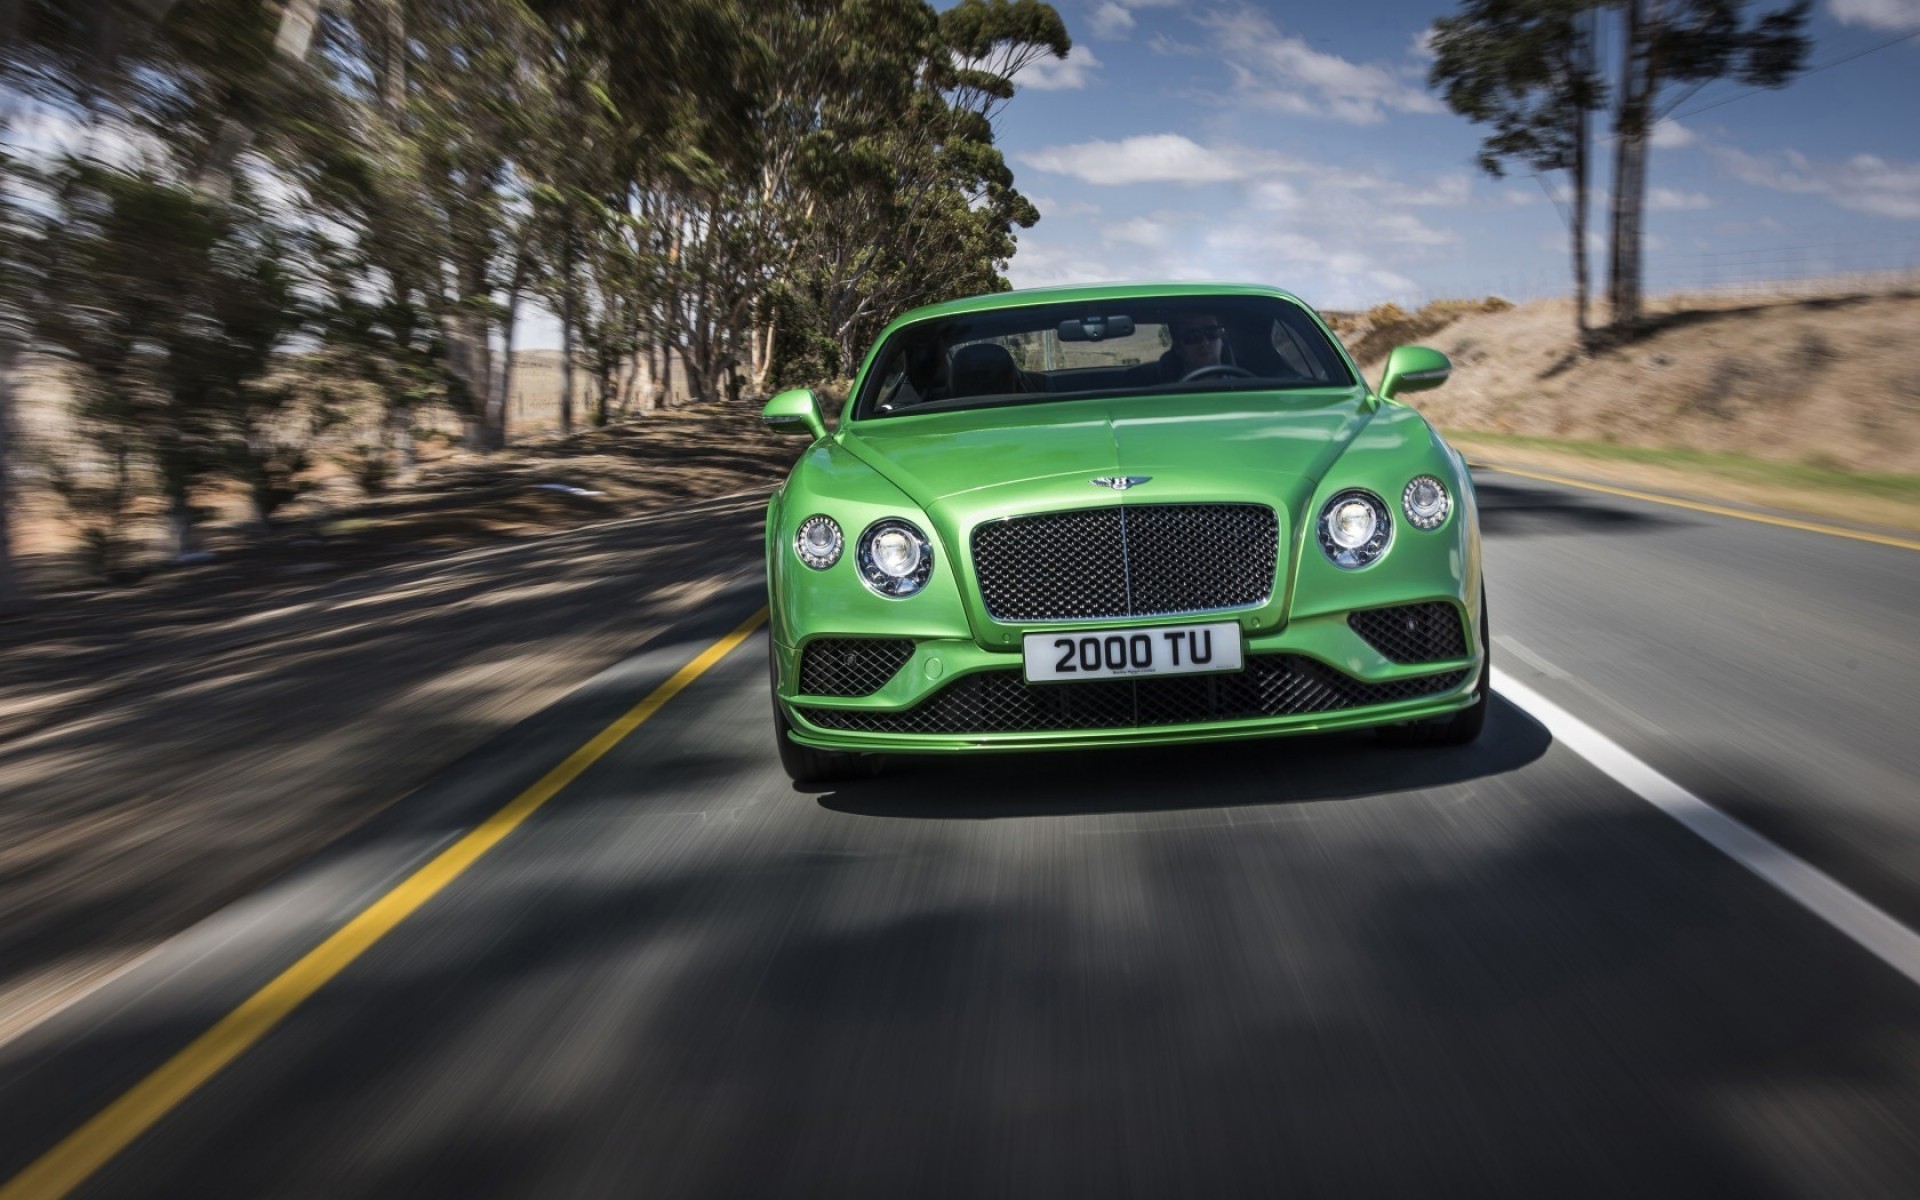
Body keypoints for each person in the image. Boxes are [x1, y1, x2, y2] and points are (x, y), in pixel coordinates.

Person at [1127, 311, 1236, 384]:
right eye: (1193, 337)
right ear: (1178, 347)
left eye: (1212, 333)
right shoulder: (1164, 394)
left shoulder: (1249, 385)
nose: (1205, 342)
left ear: (1222, 340)